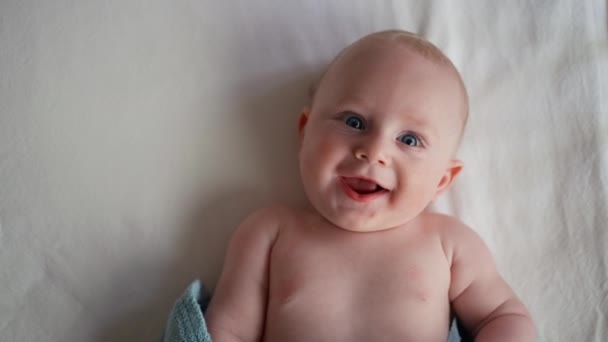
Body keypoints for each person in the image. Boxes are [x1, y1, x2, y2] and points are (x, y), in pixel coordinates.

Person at [205, 30, 536, 341]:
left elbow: (504, 316)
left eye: (409, 139)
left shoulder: (448, 244)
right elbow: (228, 331)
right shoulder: (268, 234)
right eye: (354, 121)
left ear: (442, 180)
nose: (375, 151)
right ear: (305, 133)